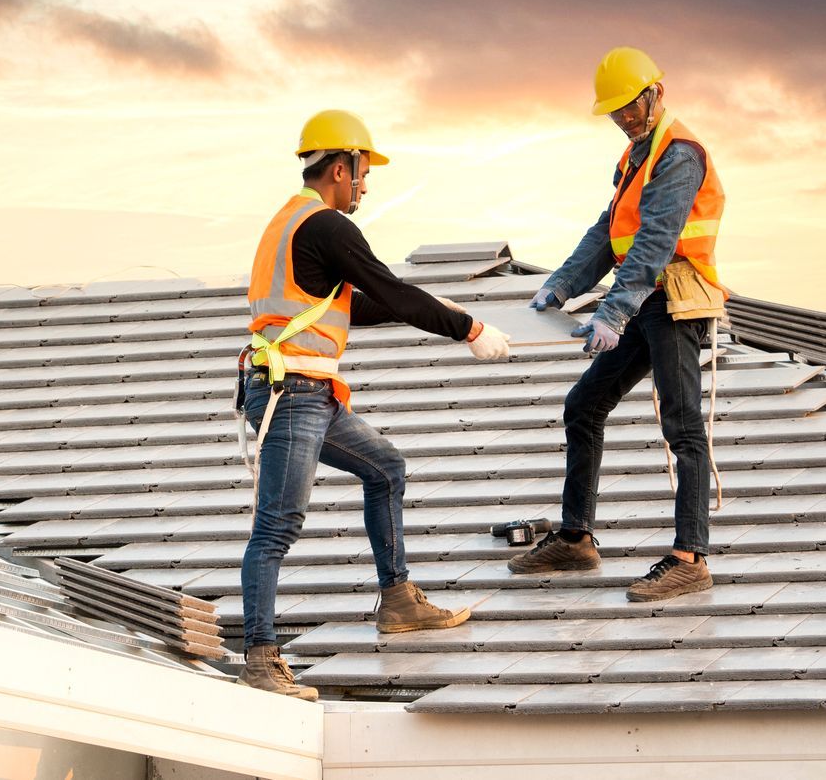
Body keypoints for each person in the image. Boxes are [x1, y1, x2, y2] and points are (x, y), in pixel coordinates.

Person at [238, 108, 513, 698]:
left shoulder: (289, 223)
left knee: (385, 467)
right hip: (294, 396)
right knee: (276, 528)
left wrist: (417, 302)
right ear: (342, 166)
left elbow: (354, 306)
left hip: (305, 392)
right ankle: (261, 659)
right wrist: (467, 328)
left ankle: (396, 600)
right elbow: (386, 288)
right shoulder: (330, 227)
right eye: (363, 173)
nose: (366, 184)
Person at [509, 48, 727, 602]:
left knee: (683, 426)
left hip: (673, 298)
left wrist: (612, 311)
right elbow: (610, 232)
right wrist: (561, 284)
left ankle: (690, 556)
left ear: (655, 93)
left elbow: (655, 240)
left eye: (630, 108)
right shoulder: (637, 156)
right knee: (584, 405)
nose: (624, 119)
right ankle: (577, 538)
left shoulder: (678, 155)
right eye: (616, 113)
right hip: (642, 299)